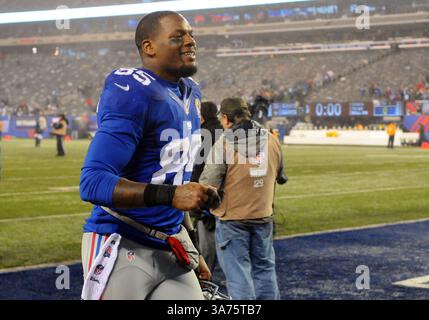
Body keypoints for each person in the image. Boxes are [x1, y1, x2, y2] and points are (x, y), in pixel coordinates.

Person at [79, 11, 220, 300]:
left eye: (191, 35)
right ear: (149, 47)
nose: (190, 41)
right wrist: (171, 195)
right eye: (178, 36)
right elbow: (92, 183)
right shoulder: (133, 89)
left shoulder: (191, 94)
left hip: (171, 244)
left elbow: (174, 180)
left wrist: (192, 244)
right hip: (119, 240)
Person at [199, 97, 287, 300]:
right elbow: (281, 176)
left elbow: (208, 185)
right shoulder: (272, 140)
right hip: (263, 216)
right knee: (265, 270)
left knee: (238, 275)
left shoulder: (224, 145)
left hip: (232, 219)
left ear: (226, 119)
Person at [190, 101, 223, 273]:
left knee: (205, 233)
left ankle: (206, 275)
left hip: (206, 187)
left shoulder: (204, 134)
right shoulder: (225, 131)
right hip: (225, 191)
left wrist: (192, 185)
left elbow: (199, 165)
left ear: (202, 116)